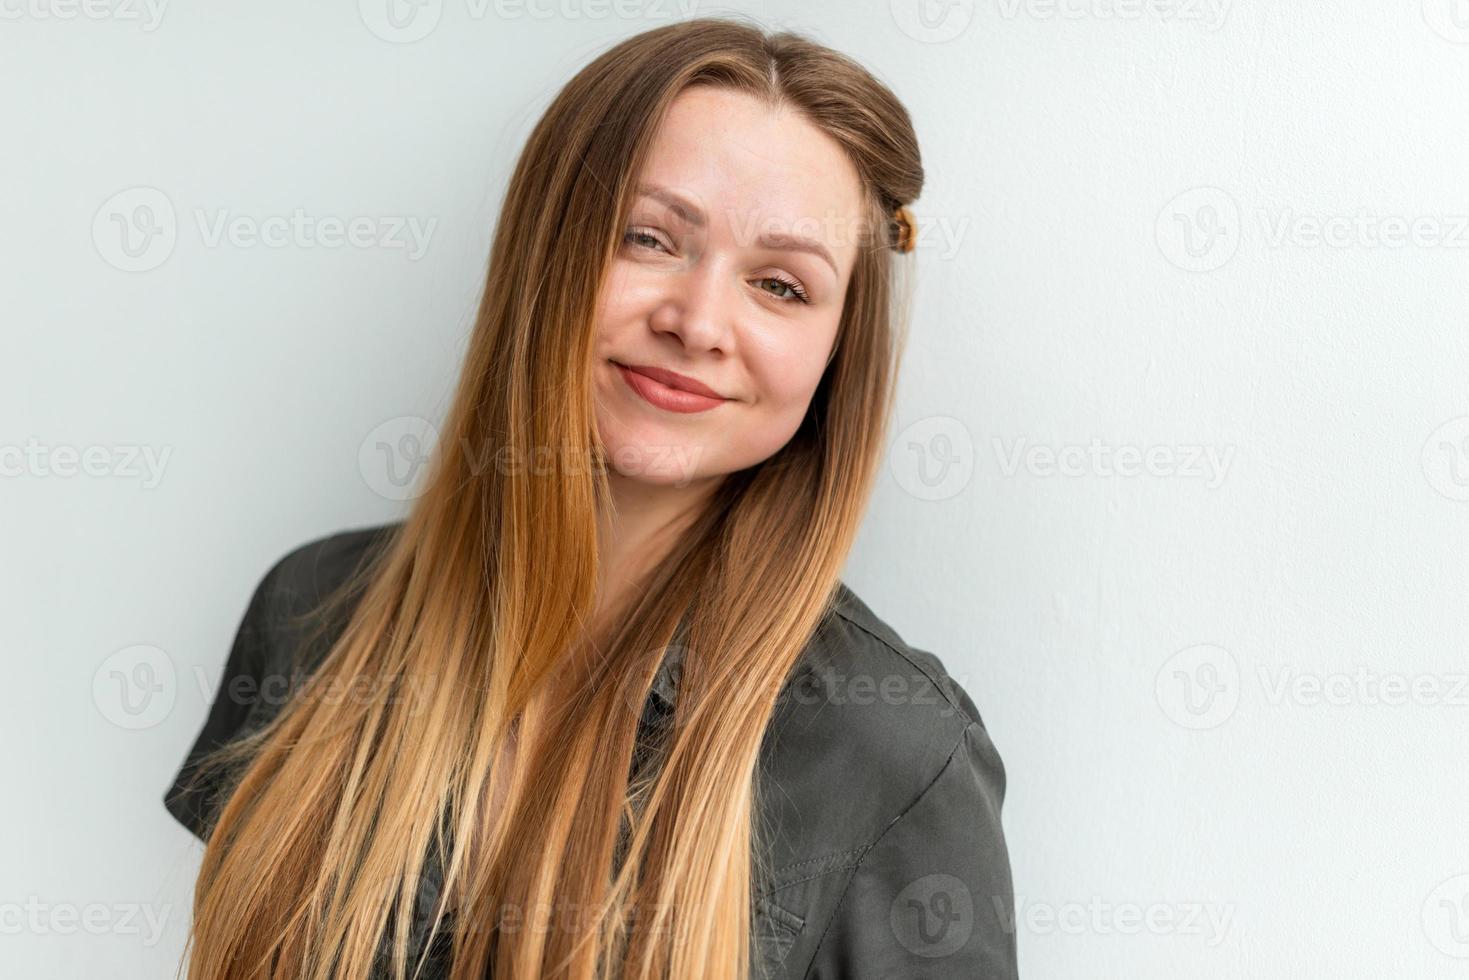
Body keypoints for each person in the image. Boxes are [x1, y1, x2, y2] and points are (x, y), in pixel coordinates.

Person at [163, 16, 1017, 980]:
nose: (696, 323)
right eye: (648, 238)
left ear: (835, 354)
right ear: (546, 251)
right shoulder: (309, 611)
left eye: (780, 285)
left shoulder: (893, 752)